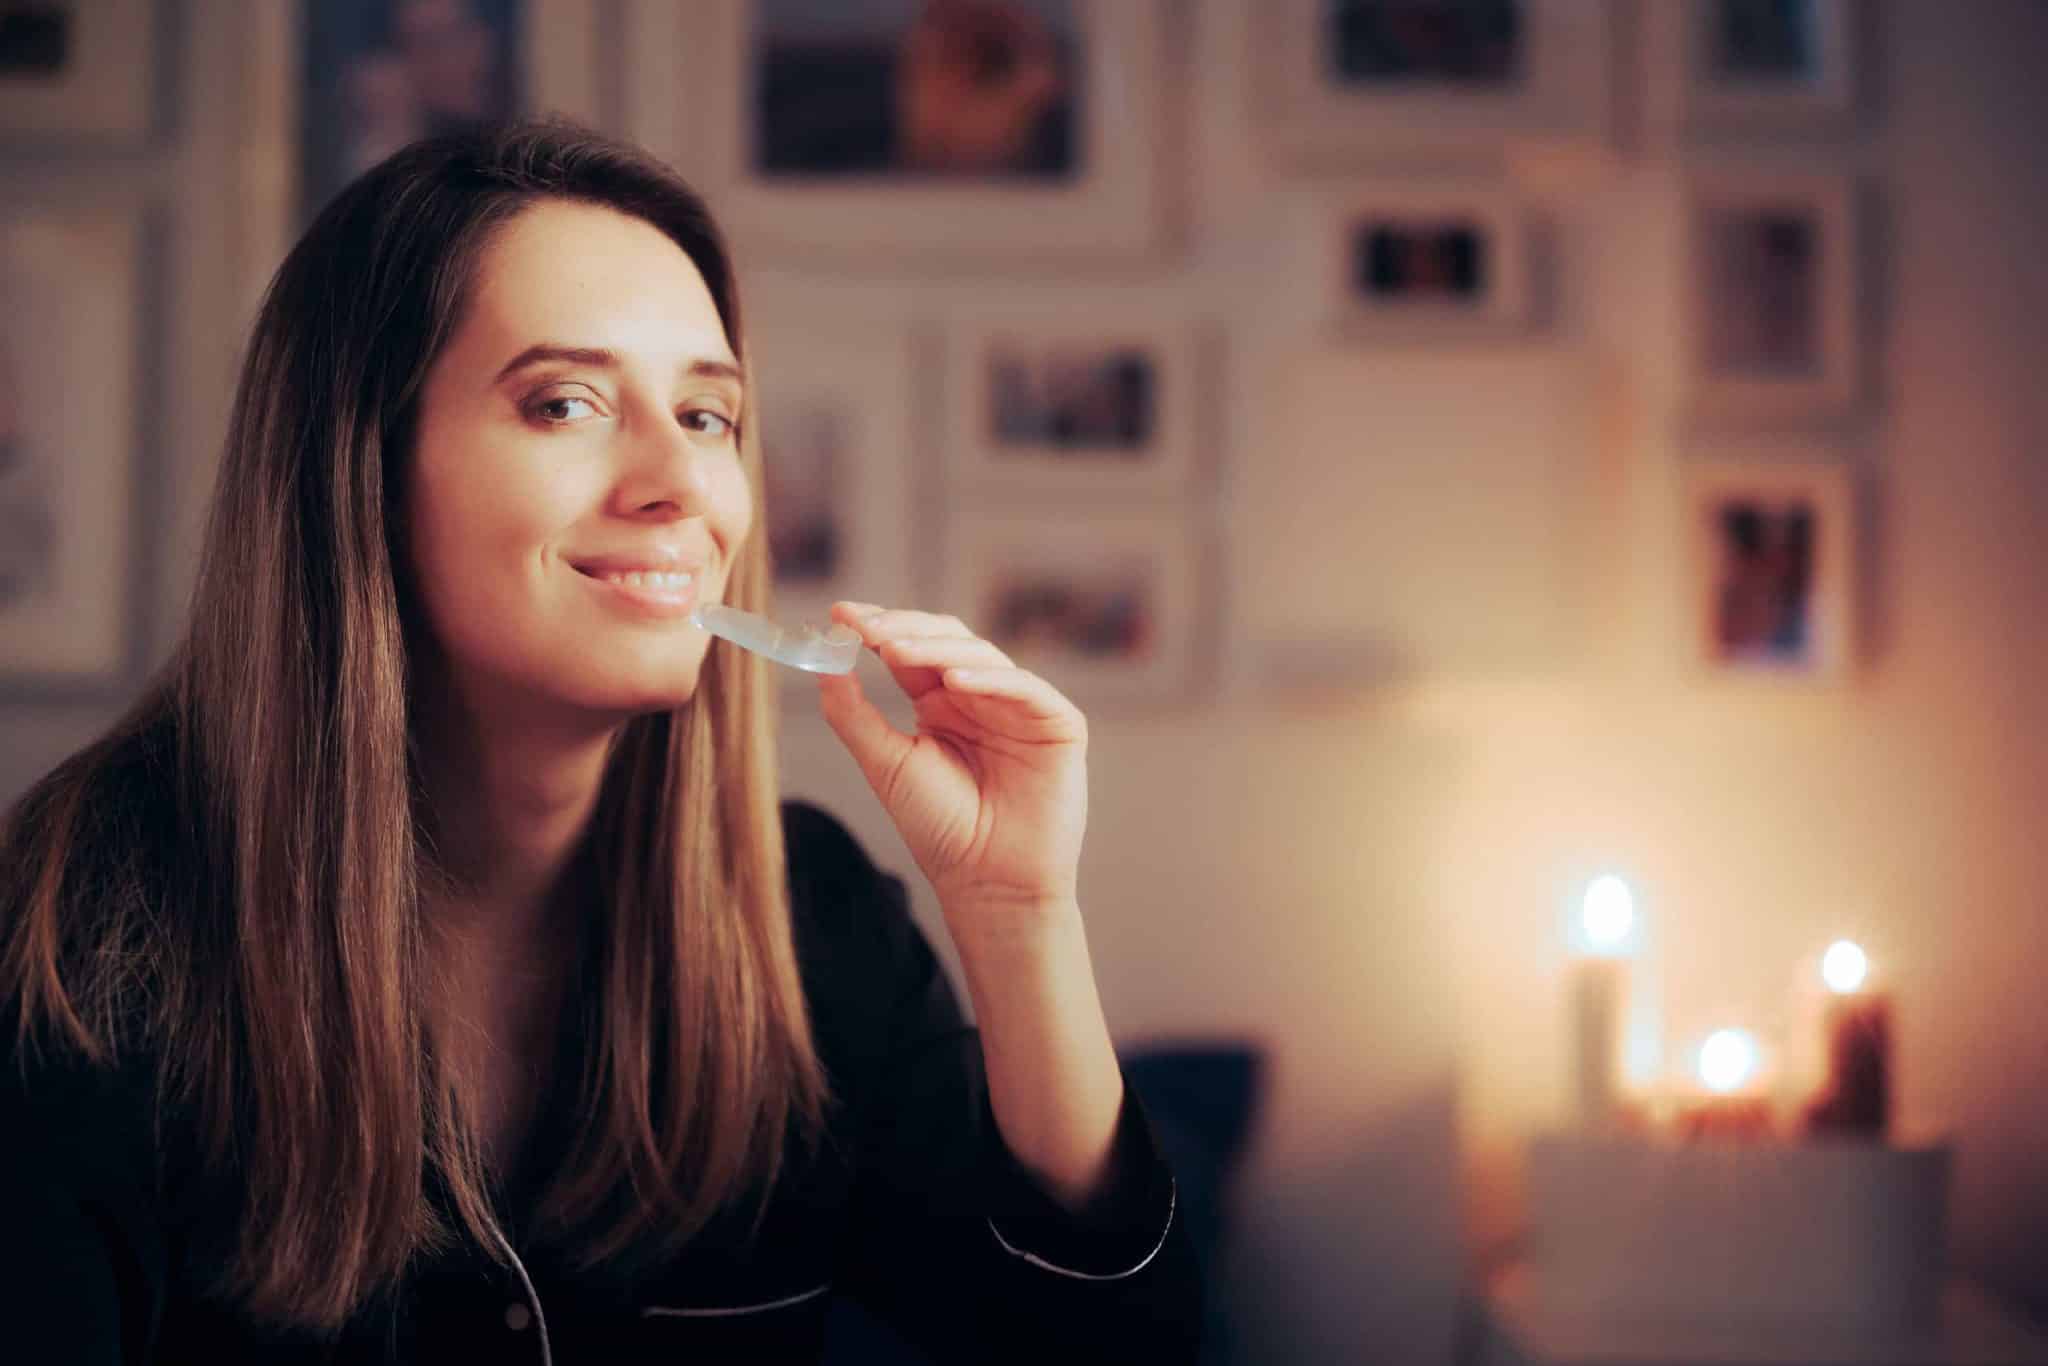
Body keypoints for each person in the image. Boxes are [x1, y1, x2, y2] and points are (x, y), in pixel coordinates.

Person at [0, 117, 1199, 1363]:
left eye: (705, 413)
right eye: (564, 402)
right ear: (360, 465)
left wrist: (1019, 917)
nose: (677, 483)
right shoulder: (76, 962)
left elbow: (1110, 1344)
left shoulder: (813, 928)